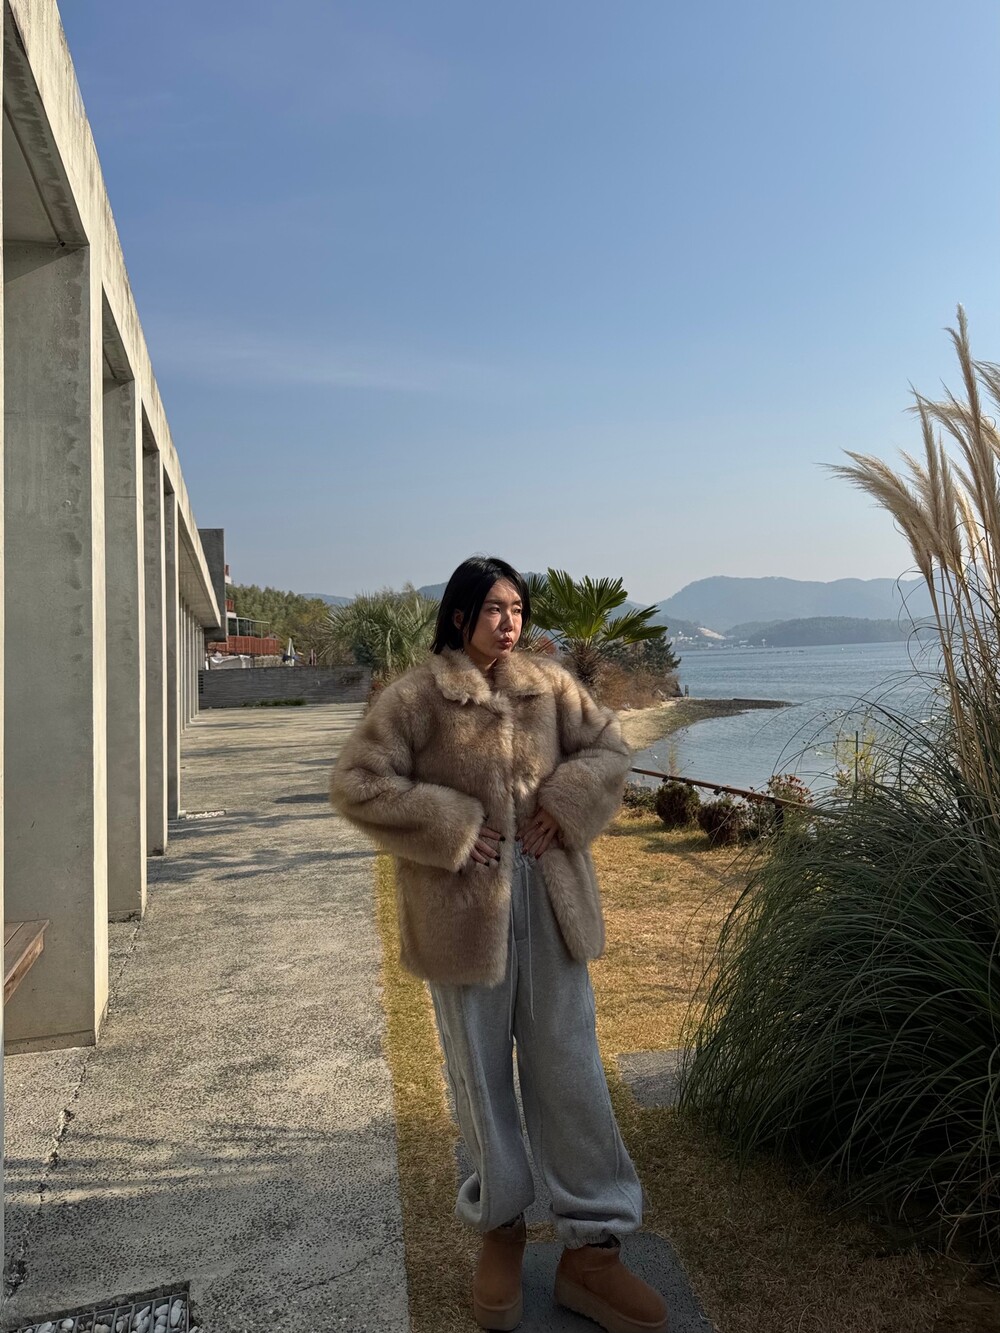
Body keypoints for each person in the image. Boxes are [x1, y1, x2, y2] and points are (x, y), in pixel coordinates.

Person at [330, 556, 668, 1333]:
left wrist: (564, 804)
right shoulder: (417, 697)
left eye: (517, 608)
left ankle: (593, 1248)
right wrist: (452, 824)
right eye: (494, 608)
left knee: (571, 1065)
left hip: (549, 901)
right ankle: (502, 1229)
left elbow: (610, 748)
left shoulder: (548, 685)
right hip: (459, 914)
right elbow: (358, 781)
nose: (509, 621)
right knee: (479, 1079)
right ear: (460, 616)